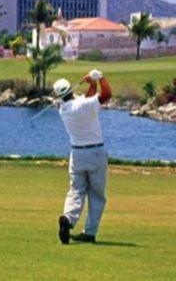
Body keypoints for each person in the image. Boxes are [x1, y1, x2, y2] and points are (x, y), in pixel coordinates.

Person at [54, 69, 112, 244]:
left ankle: (68, 219)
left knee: (76, 190)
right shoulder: (83, 105)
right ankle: (90, 232)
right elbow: (107, 95)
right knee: (96, 194)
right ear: (71, 90)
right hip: (95, 152)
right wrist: (100, 78)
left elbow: (88, 100)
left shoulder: (63, 109)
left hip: (77, 154)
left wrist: (92, 84)